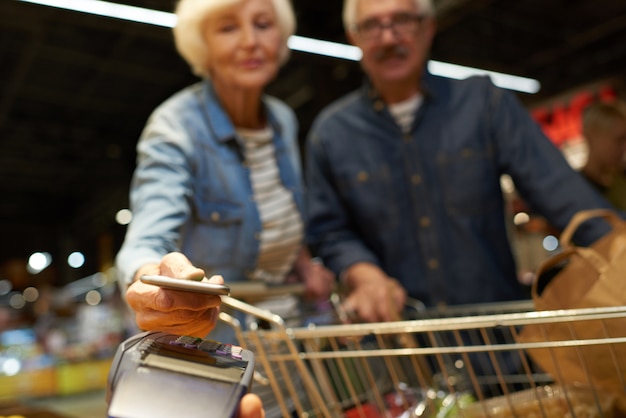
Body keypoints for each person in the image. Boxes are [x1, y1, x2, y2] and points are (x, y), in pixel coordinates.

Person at [305, 0, 615, 324]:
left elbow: (562, 194)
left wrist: (615, 249)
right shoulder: (332, 134)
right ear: (353, 37)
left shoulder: (484, 104)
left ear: (428, 27)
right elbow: (330, 231)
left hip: (495, 339)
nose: (388, 38)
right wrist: (362, 273)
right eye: (371, 26)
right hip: (399, 345)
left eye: (402, 21)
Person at [115, 0, 334, 342]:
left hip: (288, 336)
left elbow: (275, 212)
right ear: (203, 44)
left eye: (262, 24)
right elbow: (146, 241)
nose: (250, 41)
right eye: (228, 28)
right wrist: (152, 282)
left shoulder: (282, 121)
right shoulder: (175, 127)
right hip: (215, 350)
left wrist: (303, 263)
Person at [581, 100, 626, 211]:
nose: (624, 147)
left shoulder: (621, 178)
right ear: (593, 134)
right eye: (618, 139)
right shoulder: (578, 187)